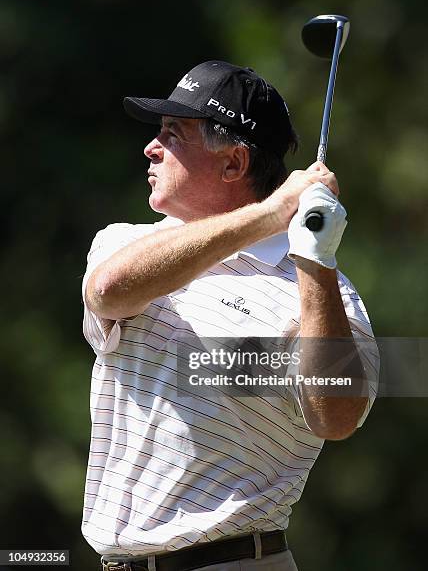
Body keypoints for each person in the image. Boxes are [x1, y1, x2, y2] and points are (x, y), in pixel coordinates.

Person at [81, 60, 379, 571]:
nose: (151, 148)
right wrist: (270, 214)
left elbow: (336, 416)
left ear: (234, 164)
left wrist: (315, 258)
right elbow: (109, 291)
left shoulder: (320, 292)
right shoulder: (127, 241)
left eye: (174, 134)